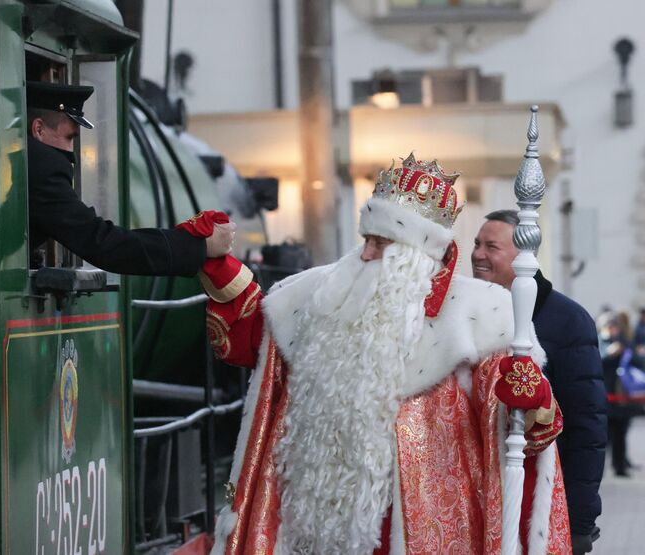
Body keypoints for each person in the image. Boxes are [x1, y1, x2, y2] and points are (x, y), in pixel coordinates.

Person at [180, 155, 571, 554]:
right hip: (319, 527)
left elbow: (516, 424)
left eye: (380, 245)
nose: (365, 255)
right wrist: (219, 266)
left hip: (427, 525)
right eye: (366, 240)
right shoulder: (323, 294)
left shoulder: (481, 313)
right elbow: (255, 344)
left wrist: (532, 397)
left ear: (415, 257)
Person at [472, 209, 607, 555]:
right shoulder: (469, 312)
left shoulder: (568, 320)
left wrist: (579, 521)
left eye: (491, 246)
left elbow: (586, 428)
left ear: (523, 256)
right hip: (481, 501)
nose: (477, 254)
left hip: (542, 504)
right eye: (476, 244)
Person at [26, 80, 234, 274]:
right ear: (38, 129)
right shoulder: (44, 167)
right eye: (69, 138)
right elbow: (101, 242)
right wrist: (199, 246)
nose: (71, 152)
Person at [598, 311, 639, 477]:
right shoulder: (600, 344)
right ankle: (602, 468)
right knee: (602, 437)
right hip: (606, 396)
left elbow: (636, 363)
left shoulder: (625, 344)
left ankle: (620, 465)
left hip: (622, 398)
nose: (612, 330)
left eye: (614, 326)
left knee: (620, 435)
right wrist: (609, 354)